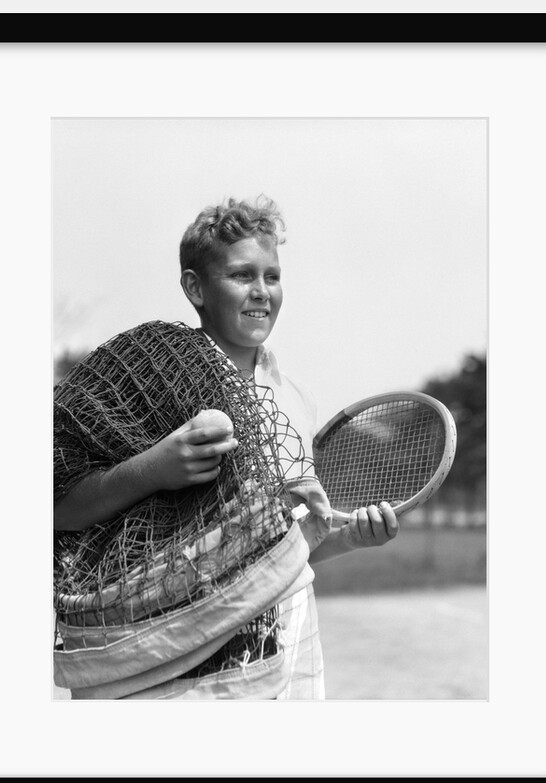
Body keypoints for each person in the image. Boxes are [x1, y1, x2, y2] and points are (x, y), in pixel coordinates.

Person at [53, 196, 400, 699]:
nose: (261, 292)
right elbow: (58, 509)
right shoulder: (151, 380)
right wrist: (155, 469)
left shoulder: (294, 400)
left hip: (289, 647)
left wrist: (352, 539)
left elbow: (277, 552)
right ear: (195, 287)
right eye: (242, 276)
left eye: (272, 277)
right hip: (175, 665)